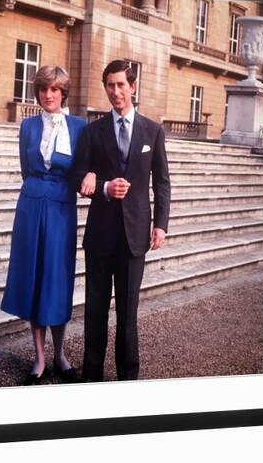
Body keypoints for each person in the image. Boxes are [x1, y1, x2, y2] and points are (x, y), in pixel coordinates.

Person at [72, 59, 171, 382]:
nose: (116, 91)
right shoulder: (93, 131)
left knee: (128, 315)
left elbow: (162, 182)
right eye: (110, 85)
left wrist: (160, 224)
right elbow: (77, 175)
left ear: (133, 87)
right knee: (95, 312)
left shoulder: (152, 131)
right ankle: (92, 376)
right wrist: (101, 186)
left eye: (121, 85)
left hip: (135, 235)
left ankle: (128, 379)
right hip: (100, 235)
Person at [0, 65, 94, 385]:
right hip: (31, 206)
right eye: (43, 89)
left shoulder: (80, 127)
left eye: (54, 89)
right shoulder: (27, 126)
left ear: (63, 92)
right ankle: (39, 358)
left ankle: (60, 353)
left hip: (62, 210)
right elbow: (27, 169)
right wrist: (38, 191)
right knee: (35, 278)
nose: (48, 95)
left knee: (56, 280)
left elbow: (84, 168)